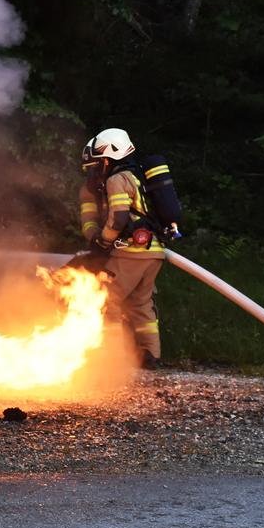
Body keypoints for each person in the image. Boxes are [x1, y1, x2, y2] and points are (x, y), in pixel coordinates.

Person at [78, 128, 164, 368]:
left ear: (109, 158)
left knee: (106, 299)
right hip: (153, 253)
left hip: (131, 252)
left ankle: (112, 358)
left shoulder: (117, 180)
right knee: (141, 304)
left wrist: (103, 241)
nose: (95, 169)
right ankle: (151, 356)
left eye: (98, 163)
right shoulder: (135, 177)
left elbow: (118, 219)